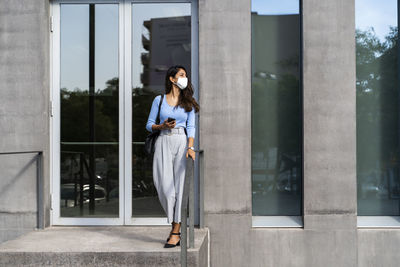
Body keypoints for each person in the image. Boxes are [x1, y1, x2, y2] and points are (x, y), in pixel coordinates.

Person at [145, 65, 200, 248]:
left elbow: (191, 127)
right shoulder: (159, 100)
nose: (185, 78)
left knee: (180, 187)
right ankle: (174, 225)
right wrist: (163, 126)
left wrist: (191, 147)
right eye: (182, 75)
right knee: (165, 187)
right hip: (163, 141)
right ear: (172, 79)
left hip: (182, 141)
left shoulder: (189, 102)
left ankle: (176, 231)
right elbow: (149, 125)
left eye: (186, 75)